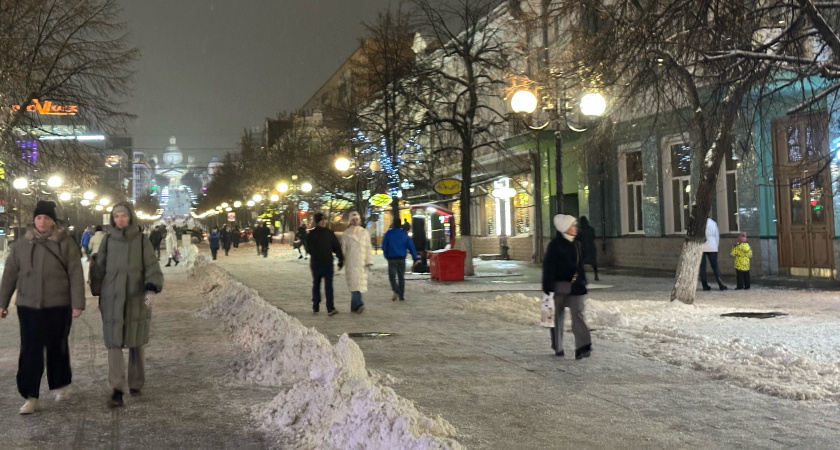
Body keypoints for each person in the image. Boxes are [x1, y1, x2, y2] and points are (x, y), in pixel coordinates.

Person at [0, 201, 86, 414]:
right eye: (39, 218)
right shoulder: (22, 244)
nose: (42, 222)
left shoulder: (65, 244)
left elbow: (75, 274)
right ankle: (31, 396)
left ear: (53, 222)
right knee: (30, 350)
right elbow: (10, 273)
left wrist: (77, 304)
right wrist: (2, 302)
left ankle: (60, 384)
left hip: (58, 304)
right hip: (28, 305)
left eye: (46, 218)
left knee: (57, 347)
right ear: (34, 220)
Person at [95, 201, 163, 407]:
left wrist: (152, 286)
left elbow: (151, 264)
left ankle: (136, 381)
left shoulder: (141, 240)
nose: (120, 219)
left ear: (130, 217)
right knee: (113, 343)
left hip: (135, 295)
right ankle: (116, 388)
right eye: (116, 216)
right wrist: (95, 279)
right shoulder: (107, 240)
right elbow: (100, 267)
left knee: (135, 342)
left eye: (123, 215)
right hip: (112, 297)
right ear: (112, 219)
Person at [542, 214, 591, 360]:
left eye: (575, 225)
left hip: (576, 287)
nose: (576, 228)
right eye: (572, 226)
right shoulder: (554, 245)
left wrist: (582, 281)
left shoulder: (577, 244)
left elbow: (580, 267)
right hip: (558, 287)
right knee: (556, 317)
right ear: (564, 228)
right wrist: (547, 286)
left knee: (578, 315)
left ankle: (582, 347)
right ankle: (558, 346)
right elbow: (548, 267)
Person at [305, 212, 344, 316]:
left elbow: (336, 246)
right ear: (317, 222)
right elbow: (308, 248)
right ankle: (315, 305)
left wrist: (341, 258)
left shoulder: (329, 233)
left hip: (327, 263)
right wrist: (315, 253)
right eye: (321, 220)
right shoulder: (312, 234)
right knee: (316, 285)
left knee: (329, 286)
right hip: (316, 263)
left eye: (324, 220)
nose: (323, 222)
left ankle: (330, 308)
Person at [340, 211, 372, 313]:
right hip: (351, 263)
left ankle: (354, 306)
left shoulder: (364, 232)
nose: (355, 221)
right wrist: (341, 261)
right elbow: (343, 249)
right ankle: (358, 304)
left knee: (359, 284)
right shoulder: (346, 234)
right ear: (350, 221)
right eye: (353, 220)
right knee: (355, 285)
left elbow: (368, 247)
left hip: (362, 263)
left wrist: (369, 260)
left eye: (356, 219)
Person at [381, 222, 419, 301]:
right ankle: (401, 295)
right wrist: (415, 258)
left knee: (392, 277)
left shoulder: (388, 233)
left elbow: (384, 245)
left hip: (391, 258)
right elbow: (411, 246)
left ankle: (396, 290)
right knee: (401, 277)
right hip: (401, 258)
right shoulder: (404, 234)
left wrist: (386, 255)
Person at [700, 217, 728, 291]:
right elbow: (716, 236)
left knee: (702, 267)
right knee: (715, 266)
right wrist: (716, 246)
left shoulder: (698, 222)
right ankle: (721, 283)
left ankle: (704, 285)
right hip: (712, 246)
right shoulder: (712, 223)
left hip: (700, 246)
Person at [576, 216, 599, 281]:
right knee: (593, 262)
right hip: (591, 247)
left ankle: (581, 276)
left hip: (583, 248)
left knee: (581, 262)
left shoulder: (580, 230)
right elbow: (593, 237)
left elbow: (577, 238)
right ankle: (596, 275)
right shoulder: (591, 229)